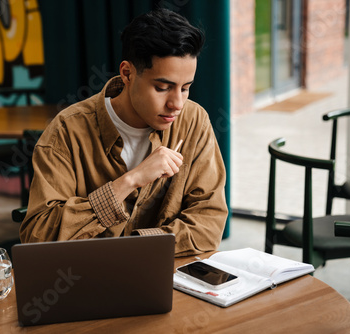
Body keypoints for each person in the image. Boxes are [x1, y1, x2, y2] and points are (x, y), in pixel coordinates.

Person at [19, 8, 228, 256]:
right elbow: (37, 237)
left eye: (185, 88)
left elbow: (209, 224)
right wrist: (130, 181)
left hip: (167, 278)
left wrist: (136, 245)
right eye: (162, 88)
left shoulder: (194, 122)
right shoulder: (66, 131)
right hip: (81, 280)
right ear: (127, 73)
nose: (177, 103)